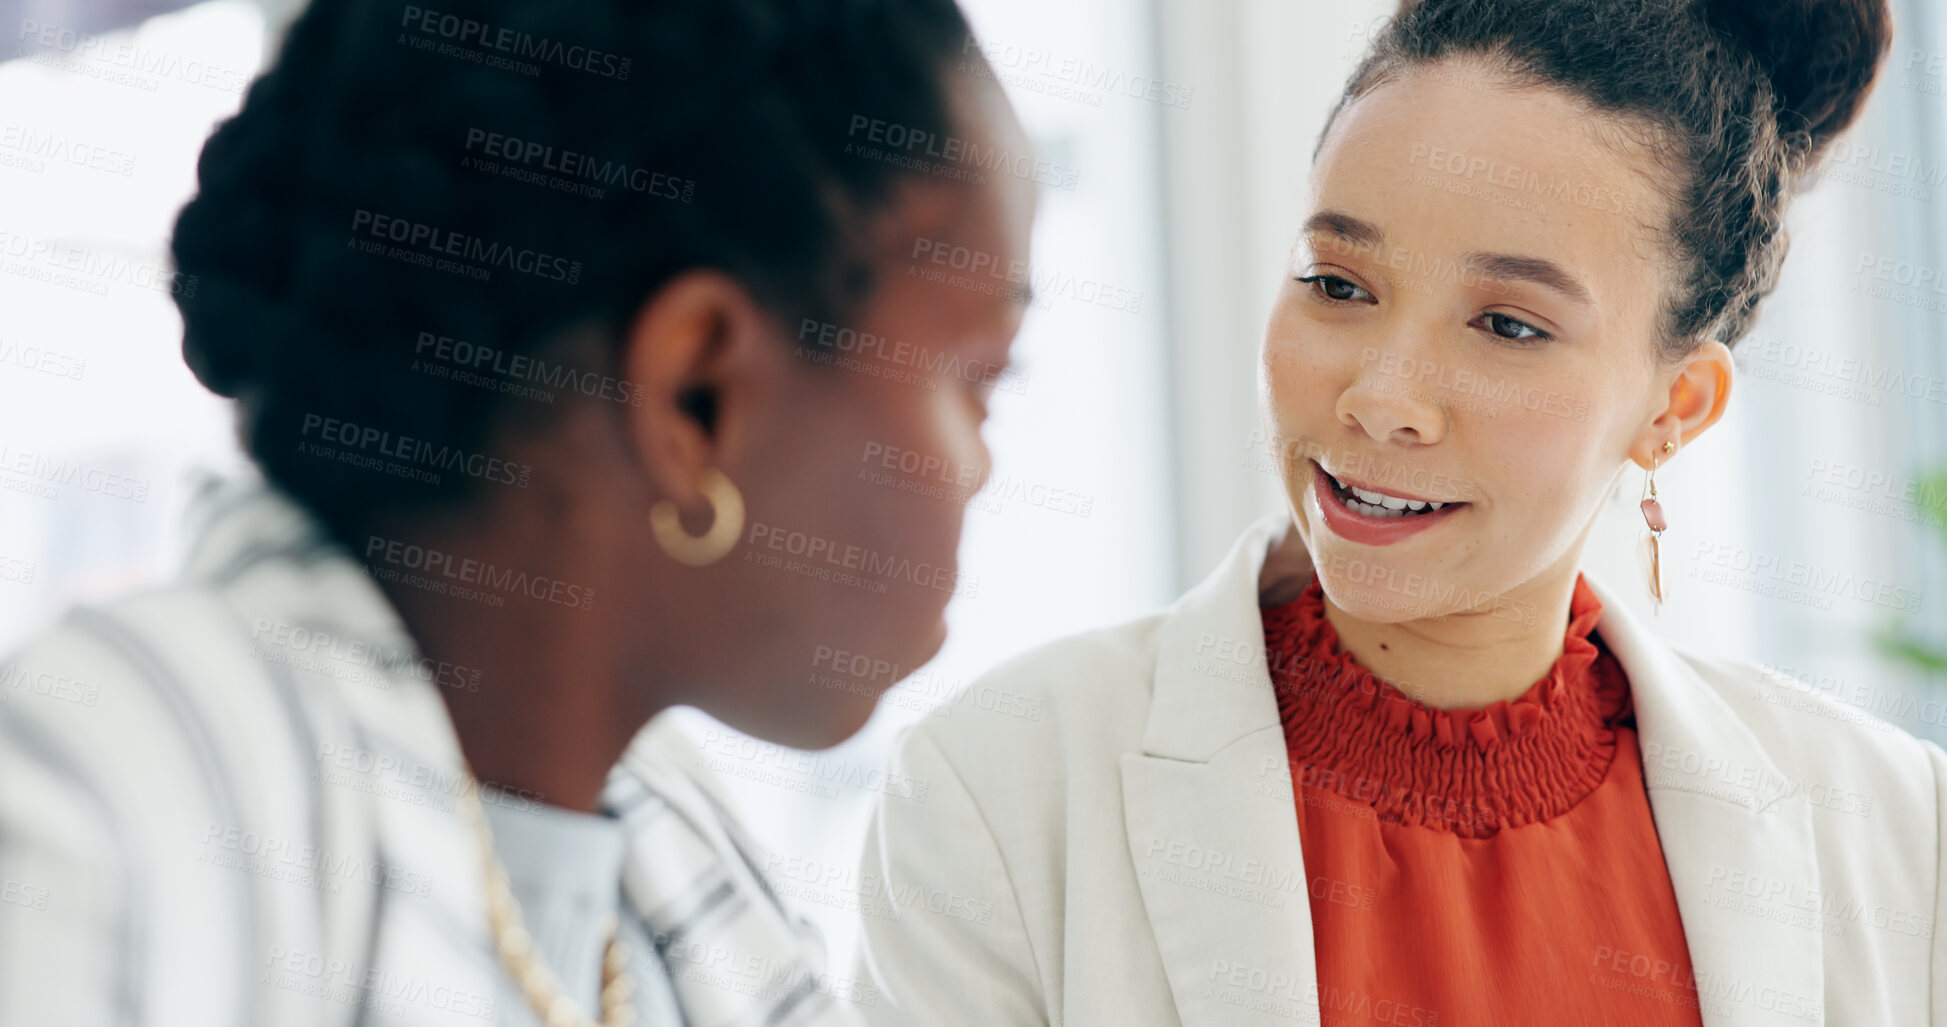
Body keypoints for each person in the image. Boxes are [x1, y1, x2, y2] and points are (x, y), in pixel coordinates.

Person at [854, 0, 1945, 1023]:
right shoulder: (1000, 791)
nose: (1381, 398)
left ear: (1675, 407)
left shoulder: (1896, 829)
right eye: (1337, 284)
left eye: (1508, 326)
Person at [0, 0, 1034, 1023]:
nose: (984, 466)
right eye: (978, 379)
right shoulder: (110, 792)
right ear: (695, 397)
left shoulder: (678, 864)